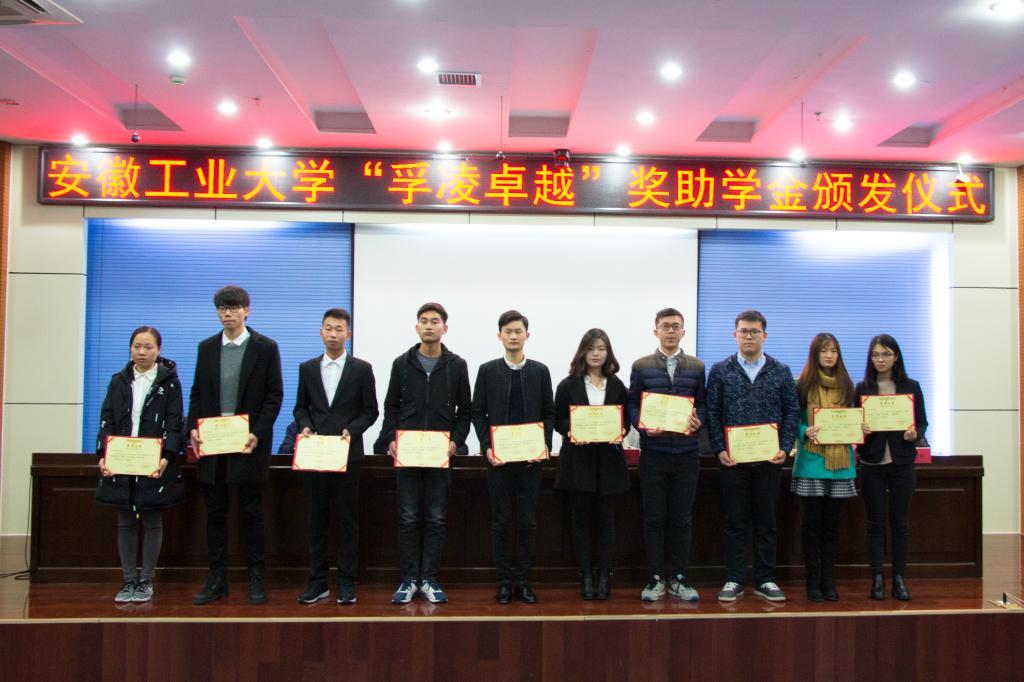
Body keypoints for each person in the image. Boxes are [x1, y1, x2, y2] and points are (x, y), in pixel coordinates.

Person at [188, 285, 283, 606]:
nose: (227, 314)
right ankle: (217, 579)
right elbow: (197, 392)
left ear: (247, 310)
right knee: (215, 513)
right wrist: (193, 428)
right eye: (222, 309)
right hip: (214, 441)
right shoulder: (206, 348)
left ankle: (256, 577)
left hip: (248, 443)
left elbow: (274, 396)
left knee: (252, 512)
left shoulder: (265, 347)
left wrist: (258, 432)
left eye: (234, 308)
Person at [376, 302, 471, 605]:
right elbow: (391, 407)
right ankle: (408, 580)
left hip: (440, 454)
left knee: (436, 518)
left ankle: (429, 578)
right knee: (407, 517)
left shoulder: (457, 365)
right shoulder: (402, 364)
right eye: (424, 321)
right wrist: (390, 439)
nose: (429, 326)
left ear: (445, 327)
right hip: (408, 453)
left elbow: (465, 411)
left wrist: (456, 441)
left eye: (435, 321)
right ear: (417, 327)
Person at [706, 309, 800, 603]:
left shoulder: (780, 370)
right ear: (734, 335)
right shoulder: (720, 370)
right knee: (735, 521)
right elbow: (712, 412)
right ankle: (734, 578)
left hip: (769, 460)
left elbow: (791, 411)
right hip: (733, 460)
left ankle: (765, 579)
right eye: (744, 331)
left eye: (754, 331)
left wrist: (785, 446)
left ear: (764, 336)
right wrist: (719, 448)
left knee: (766, 521)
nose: (749, 336)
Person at [293, 308, 379, 606]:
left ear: (348, 334)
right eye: (328, 328)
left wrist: (351, 430)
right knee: (316, 521)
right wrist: (304, 425)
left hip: (347, 455)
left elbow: (370, 411)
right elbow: (300, 408)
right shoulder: (307, 368)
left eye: (338, 329)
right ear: (321, 332)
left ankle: (346, 582)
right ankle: (317, 582)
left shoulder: (361, 369)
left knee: (346, 521)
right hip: (315, 453)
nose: (333, 334)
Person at [95, 326, 185, 603]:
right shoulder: (118, 381)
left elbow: (175, 423)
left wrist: (167, 456)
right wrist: (103, 454)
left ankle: (146, 580)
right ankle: (128, 581)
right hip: (122, 459)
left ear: (159, 350)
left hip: (153, 460)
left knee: (152, 519)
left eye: (148, 347)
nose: (141, 352)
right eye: (137, 346)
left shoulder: (170, 383)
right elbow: (107, 418)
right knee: (124, 520)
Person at [472, 310, 554, 605]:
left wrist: (543, 445)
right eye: (508, 331)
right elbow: (477, 412)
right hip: (499, 462)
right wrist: (486, 446)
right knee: (501, 523)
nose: (514, 336)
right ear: (500, 336)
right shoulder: (487, 371)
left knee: (528, 523)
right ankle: (504, 582)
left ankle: (523, 580)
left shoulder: (540, 371)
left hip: (531, 463)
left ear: (527, 335)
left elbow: (549, 412)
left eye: (518, 331)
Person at [626, 308, 705, 602]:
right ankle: (656, 577)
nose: (670, 331)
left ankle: (680, 578)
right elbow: (633, 404)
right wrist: (643, 426)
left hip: (686, 454)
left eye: (676, 326)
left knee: (682, 518)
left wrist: (699, 420)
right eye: (665, 326)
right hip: (654, 454)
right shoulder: (641, 366)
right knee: (655, 518)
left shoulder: (697, 366)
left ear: (683, 331)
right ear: (655, 331)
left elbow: (703, 403)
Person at [554, 328, 628, 600]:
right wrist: (572, 430)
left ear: (608, 353)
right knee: (581, 521)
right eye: (591, 348)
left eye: (601, 349)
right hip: (578, 462)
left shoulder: (617, 385)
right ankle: (585, 574)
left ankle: (605, 574)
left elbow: (625, 420)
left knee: (607, 521)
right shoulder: (568, 385)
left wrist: (621, 430)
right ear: (582, 352)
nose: (596, 354)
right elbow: (558, 419)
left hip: (609, 462)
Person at [855, 334, 927, 601]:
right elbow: (853, 424)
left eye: (886, 354)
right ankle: (877, 579)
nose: (881, 359)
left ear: (896, 356)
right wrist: (860, 429)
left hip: (902, 463)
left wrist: (914, 434)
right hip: (872, 463)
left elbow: (922, 422)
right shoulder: (862, 388)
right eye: (876, 355)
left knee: (900, 524)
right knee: (874, 524)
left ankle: (898, 579)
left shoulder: (911, 386)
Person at [792, 333, 857, 602]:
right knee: (811, 525)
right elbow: (791, 419)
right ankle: (812, 582)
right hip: (811, 461)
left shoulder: (847, 385)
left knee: (832, 526)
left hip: (840, 465)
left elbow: (853, 418)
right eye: (824, 351)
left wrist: (859, 428)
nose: (829, 355)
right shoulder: (802, 384)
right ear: (815, 354)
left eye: (833, 351)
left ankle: (828, 581)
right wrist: (805, 431)